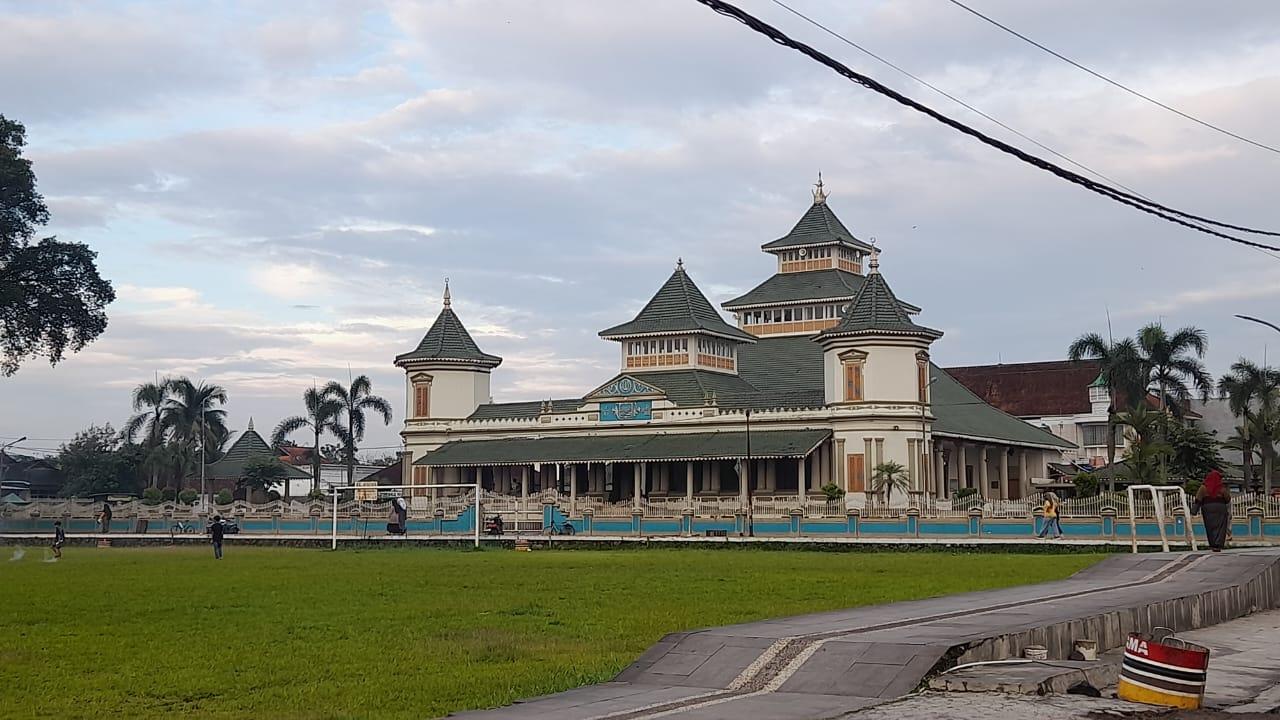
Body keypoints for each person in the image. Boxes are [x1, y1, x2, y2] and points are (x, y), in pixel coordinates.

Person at [1195, 469, 1231, 552]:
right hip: (1220, 508)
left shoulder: (1203, 487)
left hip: (1207, 509)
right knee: (1221, 527)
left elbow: (1198, 499)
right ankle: (1218, 544)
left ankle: (1213, 544)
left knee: (1210, 527)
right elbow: (1228, 499)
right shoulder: (1221, 488)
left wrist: (1194, 510)